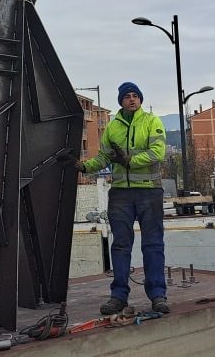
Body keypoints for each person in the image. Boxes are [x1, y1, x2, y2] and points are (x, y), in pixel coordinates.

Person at [77, 81, 169, 315]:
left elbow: (157, 152)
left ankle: (158, 295)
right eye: (127, 96)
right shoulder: (112, 128)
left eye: (135, 96)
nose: (131, 99)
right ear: (121, 101)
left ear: (140, 99)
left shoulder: (152, 122)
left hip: (149, 191)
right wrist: (84, 167)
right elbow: (104, 158)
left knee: (153, 245)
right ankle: (118, 297)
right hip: (121, 193)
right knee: (120, 245)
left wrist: (130, 160)